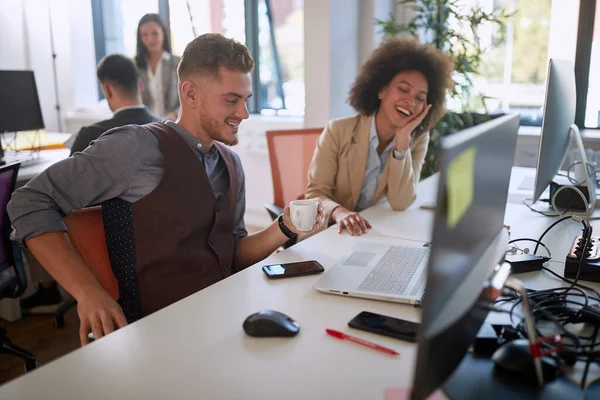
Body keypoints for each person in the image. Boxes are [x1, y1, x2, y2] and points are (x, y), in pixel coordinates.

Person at [7, 33, 323, 345]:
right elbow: (29, 201)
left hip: (225, 320)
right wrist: (88, 292)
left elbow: (234, 254)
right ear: (190, 93)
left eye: (245, 100)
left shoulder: (231, 164)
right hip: (159, 335)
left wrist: (284, 227)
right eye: (231, 100)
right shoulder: (136, 147)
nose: (244, 113)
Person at [305, 38, 454, 236]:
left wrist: (402, 142)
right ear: (382, 89)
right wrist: (340, 212)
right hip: (327, 232)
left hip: (370, 233)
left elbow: (400, 203)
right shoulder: (337, 130)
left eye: (420, 98)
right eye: (403, 89)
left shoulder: (417, 140)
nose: (410, 101)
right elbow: (315, 194)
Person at [70, 54, 157, 155]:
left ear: (108, 90)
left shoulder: (90, 136)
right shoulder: (166, 127)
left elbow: (68, 170)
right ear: (140, 85)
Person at [135, 13, 180, 120]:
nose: (150, 39)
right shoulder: (135, 66)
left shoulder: (177, 63)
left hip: (172, 124)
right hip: (145, 126)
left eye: (155, 33)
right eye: (145, 35)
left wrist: (174, 114)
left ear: (163, 33)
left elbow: (187, 99)